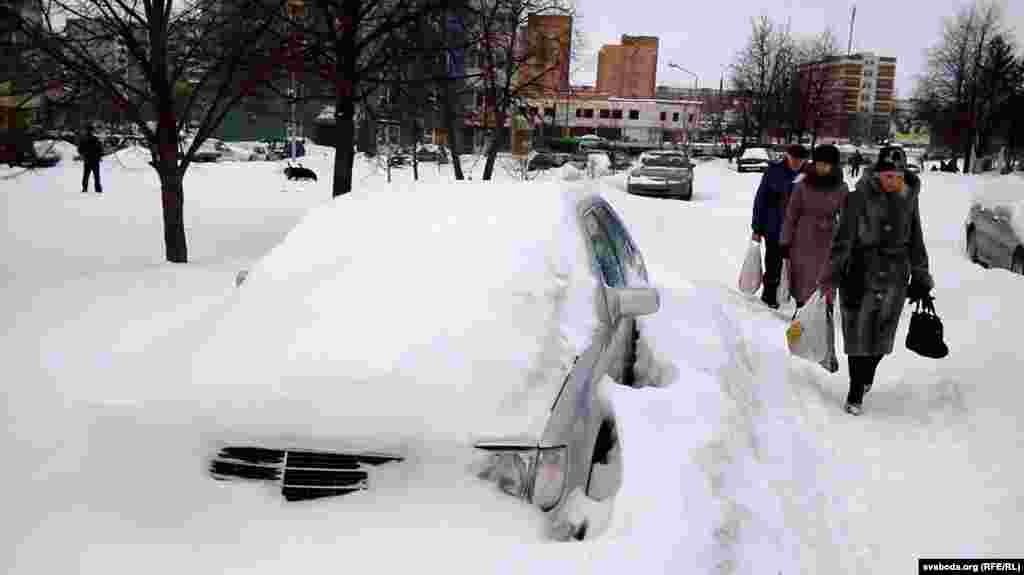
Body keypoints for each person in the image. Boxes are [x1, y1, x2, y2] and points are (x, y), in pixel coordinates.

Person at [818, 146, 934, 416]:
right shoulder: (858, 198)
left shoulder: (909, 198)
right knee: (857, 336)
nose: (893, 181)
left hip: (894, 276)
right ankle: (855, 390)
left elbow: (916, 236)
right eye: (888, 175)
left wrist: (921, 273)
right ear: (877, 174)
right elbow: (842, 240)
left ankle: (867, 374)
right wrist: (830, 277)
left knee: (882, 336)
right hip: (860, 273)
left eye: (898, 176)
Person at [781, 144, 849, 373]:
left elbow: (848, 220)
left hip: (829, 244)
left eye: (827, 164)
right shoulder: (802, 186)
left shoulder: (841, 188)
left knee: (826, 296)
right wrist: (785, 242)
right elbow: (791, 214)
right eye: (819, 163)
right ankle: (799, 341)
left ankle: (826, 352)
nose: (822, 168)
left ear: (834, 165)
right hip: (803, 242)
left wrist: (845, 244)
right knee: (802, 296)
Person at [751, 144, 809, 309]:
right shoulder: (774, 171)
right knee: (773, 263)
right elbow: (761, 200)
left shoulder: (810, 173)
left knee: (797, 266)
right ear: (787, 156)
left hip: (799, 231)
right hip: (774, 227)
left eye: (800, 160)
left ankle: (793, 297)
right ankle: (769, 297)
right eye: (794, 159)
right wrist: (757, 228)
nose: (797, 163)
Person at [78, 126, 104, 194]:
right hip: (95, 160)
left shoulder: (83, 139)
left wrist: (83, 154)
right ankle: (98, 189)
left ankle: (84, 188)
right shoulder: (96, 139)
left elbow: (80, 150)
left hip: (87, 160)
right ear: (92, 131)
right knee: (96, 176)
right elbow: (100, 149)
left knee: (86, 175)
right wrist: (100, 155)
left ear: (86, 131)